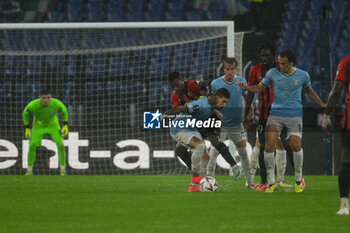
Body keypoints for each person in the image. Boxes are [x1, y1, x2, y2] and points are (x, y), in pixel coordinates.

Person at [238, 49, 325, 193]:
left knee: (295, 145)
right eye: (280, 62)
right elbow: (260, 87)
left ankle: (298, 179)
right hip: (275, 115)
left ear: (291, 63)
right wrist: (247, 88)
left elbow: (309, 90)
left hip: (295, 115)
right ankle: (271, 182)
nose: (280, 65)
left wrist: (321, 104)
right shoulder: (273, 73)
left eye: (284, 63)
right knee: (268, 146)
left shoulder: (303, 75)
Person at [168, 71, 242, 182]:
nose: (175, 88)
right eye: (173, 87)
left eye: (177, 85)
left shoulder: (192, 84)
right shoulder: (174, 96)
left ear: (182, 79)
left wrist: (212, 104)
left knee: (214, 140)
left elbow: (206, 86)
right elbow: (182, 111)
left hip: (208, 114)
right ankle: (199, 176)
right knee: (180, 150)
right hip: (194, 121)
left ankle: (234, 166)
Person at [244, 43, 294, 191]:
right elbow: (250, 92)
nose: (265, 58)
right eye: (262, 56)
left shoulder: (283, 67)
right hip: (265, 114)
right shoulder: (255, 70)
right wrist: (245, 113)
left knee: (287, 144)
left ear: (274, 55)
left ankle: (298, 178)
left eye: (268, 55)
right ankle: (264, 181)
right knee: (263, 144)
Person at [164, 88, 230, 192]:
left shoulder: (211, 105)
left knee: (205, 156)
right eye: (223, 102)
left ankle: (194, 186)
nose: (224, 105)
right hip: (179, 129)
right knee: (199, 146)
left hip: (191, 129)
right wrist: (164, 115)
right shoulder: (201, 105)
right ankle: (195, 177)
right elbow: (181, 108)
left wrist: (217, 113)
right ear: (217, 97)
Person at [207, 57, 254, 189]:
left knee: (243, 152)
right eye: (227, 69)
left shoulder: (241, 82)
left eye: (232, 69)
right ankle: (209, 181)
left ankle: (250, 183)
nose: (229, 72)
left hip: (236, 124)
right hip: (220, 125)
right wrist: (215, 113)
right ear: (224, 69)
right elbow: (209, 102)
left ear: (236, 69)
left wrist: (250, 109)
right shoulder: (215, 84)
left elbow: (247, 96)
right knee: (214, 153)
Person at [322, 55, 350, 215]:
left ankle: (344, 206)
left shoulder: (346, 63)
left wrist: (326, 115)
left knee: (346, 162)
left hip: (349, 123)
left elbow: (337, 90)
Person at [23, 89, 69, 176]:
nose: (46, 100)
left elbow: (64, 110)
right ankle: (29, 171)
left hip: (53, 126)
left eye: (48, 98)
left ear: (51, 97)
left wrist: (65, 125)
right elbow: (25, 113)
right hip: (38, 126)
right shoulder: (33, 105)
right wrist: (27, 128)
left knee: (60, 144)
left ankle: (63, 170)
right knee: (32, 145)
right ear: (40, 98)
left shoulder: (56, 103)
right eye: (44, 98)